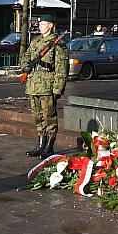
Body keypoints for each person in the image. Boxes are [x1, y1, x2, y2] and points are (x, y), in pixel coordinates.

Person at [19, 14, 69, 158]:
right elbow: (25, 56)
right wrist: (25, 67)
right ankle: (41, 144)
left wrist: (58, 88)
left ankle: (49, 146)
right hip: (33, 84)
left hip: (47, 85)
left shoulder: (58, 44)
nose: (40, 26)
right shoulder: (36, 40)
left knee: (49, 117)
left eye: (43, 24)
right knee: (37, 116)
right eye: (39, 25)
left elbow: (61, 68)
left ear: (51, 25)